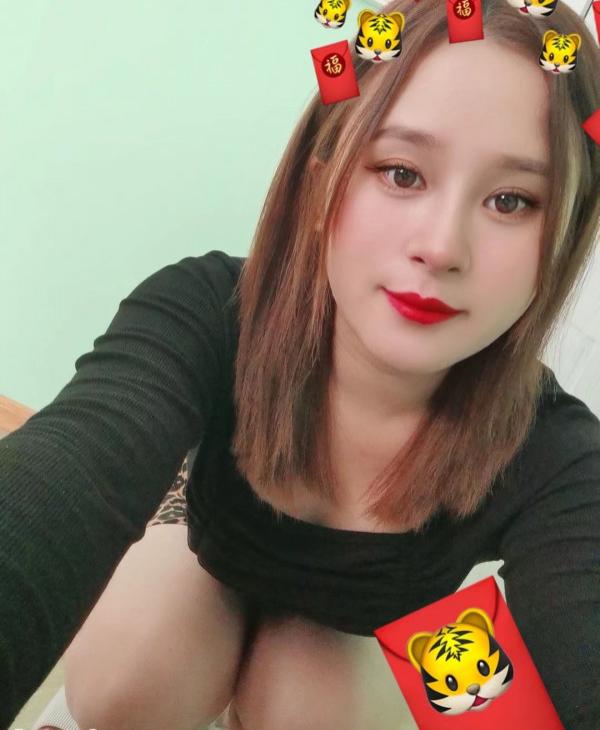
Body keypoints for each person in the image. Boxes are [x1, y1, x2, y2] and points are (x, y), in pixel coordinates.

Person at [1, 0, 599, 727]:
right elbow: (70, 469)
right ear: (321, 179)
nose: (442, 247)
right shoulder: (210, 310)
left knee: (306, 706)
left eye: (511, 200)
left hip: (353, 633)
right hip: (200, 553)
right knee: (132, 678)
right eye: (401, 173)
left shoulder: (555, 449)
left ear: (565, 234)